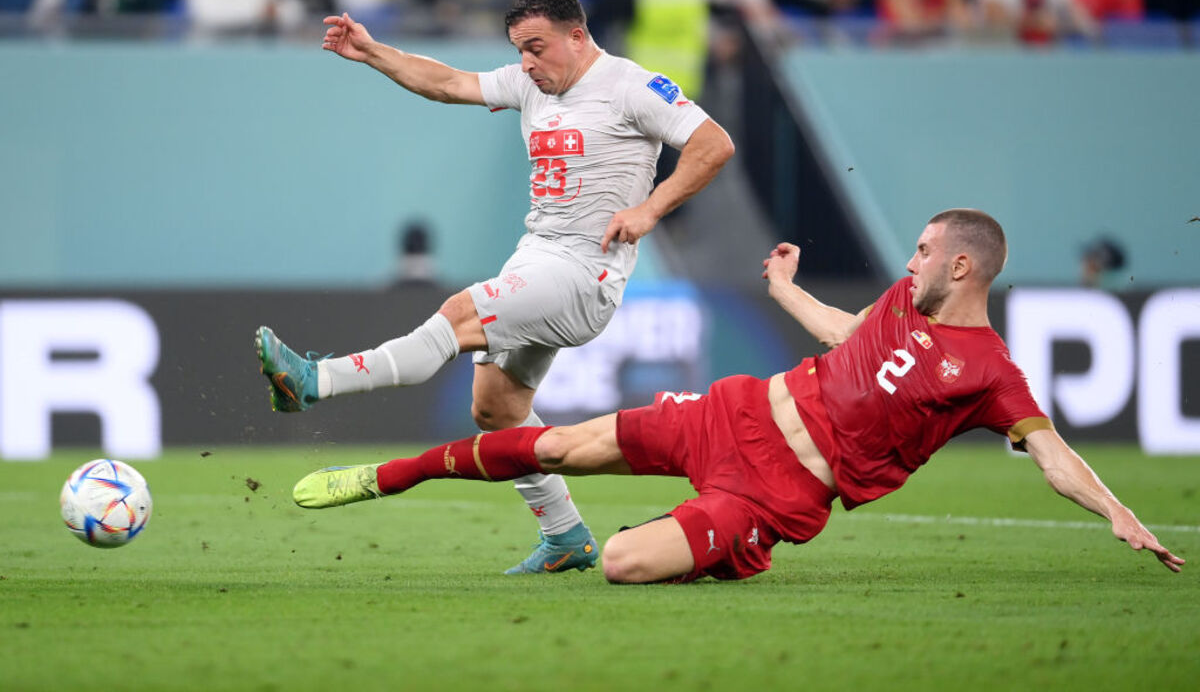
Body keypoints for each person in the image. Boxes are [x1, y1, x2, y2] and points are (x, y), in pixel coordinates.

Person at [289, 209, 1184, 583]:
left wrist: (1114, 509)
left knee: (623, 564)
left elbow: (1053, 450)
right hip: (736, 410)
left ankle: (725, 547)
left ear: (961, 266)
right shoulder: (898, 305)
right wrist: (785, 291)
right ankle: (388, 474)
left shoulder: (991, 370)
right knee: (556, 445)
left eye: (920, 253)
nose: (906, 264)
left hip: (779, 490)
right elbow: (844, 336)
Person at [257, 0, 734, 575]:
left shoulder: (632, 87)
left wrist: (649, 210)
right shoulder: (526, 82)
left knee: (461, 313)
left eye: (537, 47)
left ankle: (314, 381)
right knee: (498, 410)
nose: (528, 63)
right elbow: (448, 82)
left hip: (586, 274)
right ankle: (565, 537)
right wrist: (373, 51)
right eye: (520, 50)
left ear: (577, 36)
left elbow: (714, 144)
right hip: (534, 258)